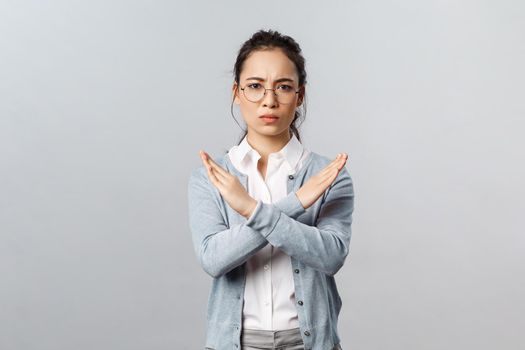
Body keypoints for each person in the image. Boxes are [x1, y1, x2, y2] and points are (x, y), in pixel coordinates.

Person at [187, 29, 355, 350]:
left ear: (300, 95)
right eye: (254, 86)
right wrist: (296, 204)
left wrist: (250, 209)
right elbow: (214, 259)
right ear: (236, 92)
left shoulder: (329, 175)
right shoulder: (211, 176)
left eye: (284, 87)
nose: (269, 100)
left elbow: (331, 255)